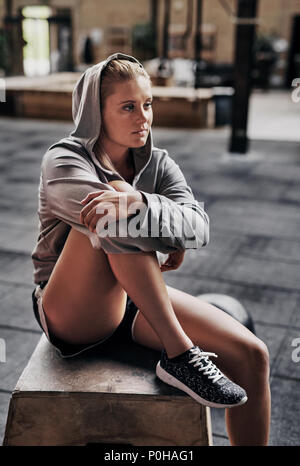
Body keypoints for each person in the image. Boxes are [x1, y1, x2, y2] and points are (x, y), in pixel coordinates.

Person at [31, 53, 270, 446]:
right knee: (110, 211)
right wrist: (163, 228)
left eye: (147, 104)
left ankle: (181, 357)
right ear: (96, 113)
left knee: (252, 355)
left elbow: (199, 226)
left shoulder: (158, 164)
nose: (143, 117)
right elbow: (109, 218)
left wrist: (141, 201)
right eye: (128, 107)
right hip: (70, 312)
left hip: (131, 301)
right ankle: (180, 356)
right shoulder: (63, 160)